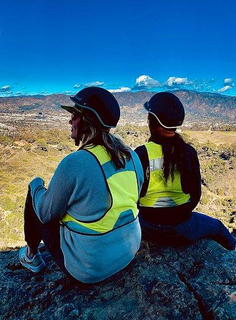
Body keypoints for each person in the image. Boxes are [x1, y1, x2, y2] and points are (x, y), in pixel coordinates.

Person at [19, 87, 144, 283]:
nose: (71, 121)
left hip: (89, 268)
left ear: (87, 121)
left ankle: (31, 256)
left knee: (36, 192)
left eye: (75, 115)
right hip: (128, 251)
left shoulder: (75, 162)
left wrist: (37, 185)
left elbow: (45, 214)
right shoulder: (132, 156)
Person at [135, 92, 236, 251]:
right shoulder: (187, 152)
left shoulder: (140, 153)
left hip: (146, 227)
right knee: (218, 227)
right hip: (181, 227)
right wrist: (179, 215)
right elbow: (195, 195)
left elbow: (134, 195)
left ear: (151, 121)